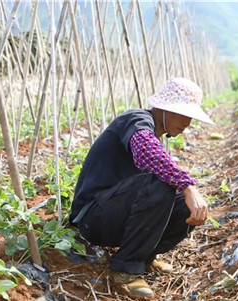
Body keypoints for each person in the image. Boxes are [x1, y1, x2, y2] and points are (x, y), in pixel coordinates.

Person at [70, 77, 215, 298]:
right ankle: (126, 269)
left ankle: (144, 255)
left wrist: (188, 193)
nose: (187, 123)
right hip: (92, 217)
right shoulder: (135, 119)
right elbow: (146, 153)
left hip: (114, 214)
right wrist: (188, 186)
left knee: (185, 207)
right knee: (162, 184)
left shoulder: (153, 132)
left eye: (191, 117)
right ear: (164, 108)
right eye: (184, 114)